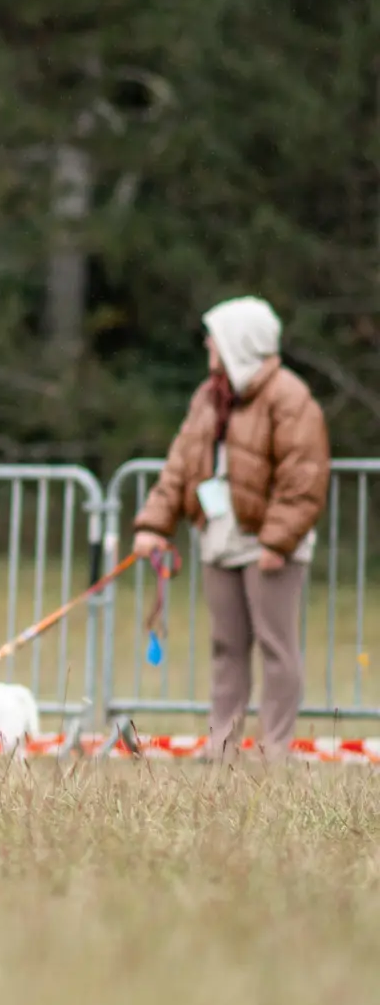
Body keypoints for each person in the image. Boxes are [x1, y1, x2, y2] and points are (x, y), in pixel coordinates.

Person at [131, 296, 329, 762]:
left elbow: (304, 475)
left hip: (266, 544)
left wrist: (278, 541)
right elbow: (180, 465)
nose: (207, 344)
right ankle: (222, 744)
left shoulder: (289, 397)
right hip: (219, 539)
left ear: (240, 341)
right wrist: (154, 524)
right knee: (226, 647)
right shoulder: (209, 396)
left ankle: (275, 747)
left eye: (214, 335)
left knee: (276, 647)